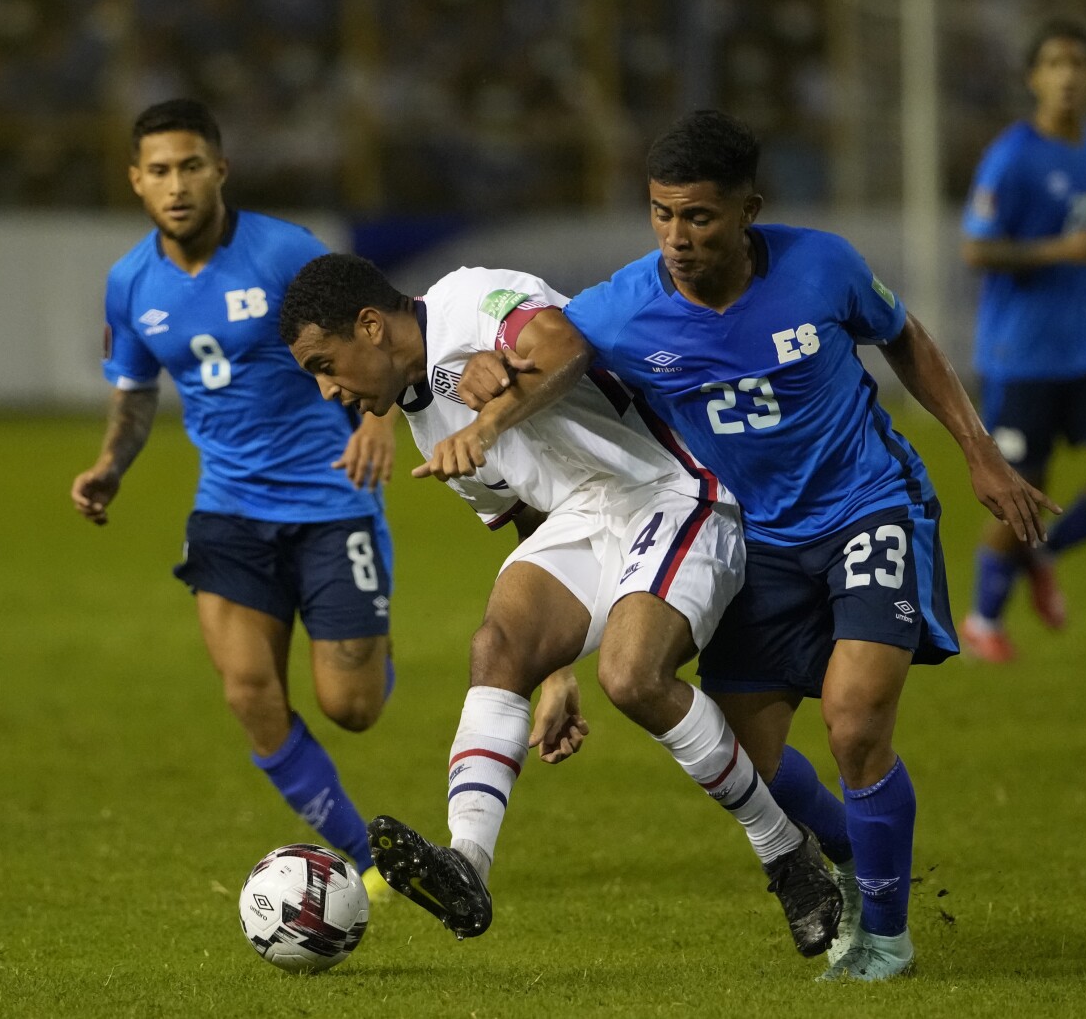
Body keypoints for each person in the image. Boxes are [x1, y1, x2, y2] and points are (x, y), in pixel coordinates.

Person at [457, 110, 1056, 981]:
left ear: (748, 211)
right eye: (661, 214)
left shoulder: (823, 266)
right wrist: (492, 365)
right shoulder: (626, 305)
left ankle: (885, 936)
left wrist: (980, 453)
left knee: (854, 721)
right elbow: (545, 341)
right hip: (750, 538)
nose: (677, 237)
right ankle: (860, 856)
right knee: (752, 759)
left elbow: (904, 337)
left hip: (867, 506)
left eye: (698, 216)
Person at [280, 252, 842, 957]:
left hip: (671, 485)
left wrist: (487, 419)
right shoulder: (427, 422)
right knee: (499, 647)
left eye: (324, 364)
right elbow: (528, 517)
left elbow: (566, 345)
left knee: (634, 676)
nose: (329, 390)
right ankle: (467, 863)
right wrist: (554, 671)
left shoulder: (468, 299)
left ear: (369, 325)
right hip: (582, 514)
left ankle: (787, 854)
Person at [68, 99, 399, 898]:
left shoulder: (285, 252)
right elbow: (136, 391)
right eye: (158, 171)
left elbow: (380, 333)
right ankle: (369, 860)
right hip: (228, 509)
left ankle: (371, 641)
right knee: (250, 690)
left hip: (331, 496)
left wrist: (379, 415)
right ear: (135, 182)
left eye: (189, 166)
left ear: (220, 169)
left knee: (350, 705)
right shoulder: (130, 284)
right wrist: (111, 464)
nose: (175, 184)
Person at [960, 19, 1086, 663]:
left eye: (1078, 62)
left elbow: (1084, 226)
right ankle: (984, 619)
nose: (1067, 74)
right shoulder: (1012, 156)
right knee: (1021, 502)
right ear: (1033, 78)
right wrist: (1061, 250)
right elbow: (977, 249)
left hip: (1083, 352)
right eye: (1054, 63)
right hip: (1021, 360)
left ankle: (1042, 558)